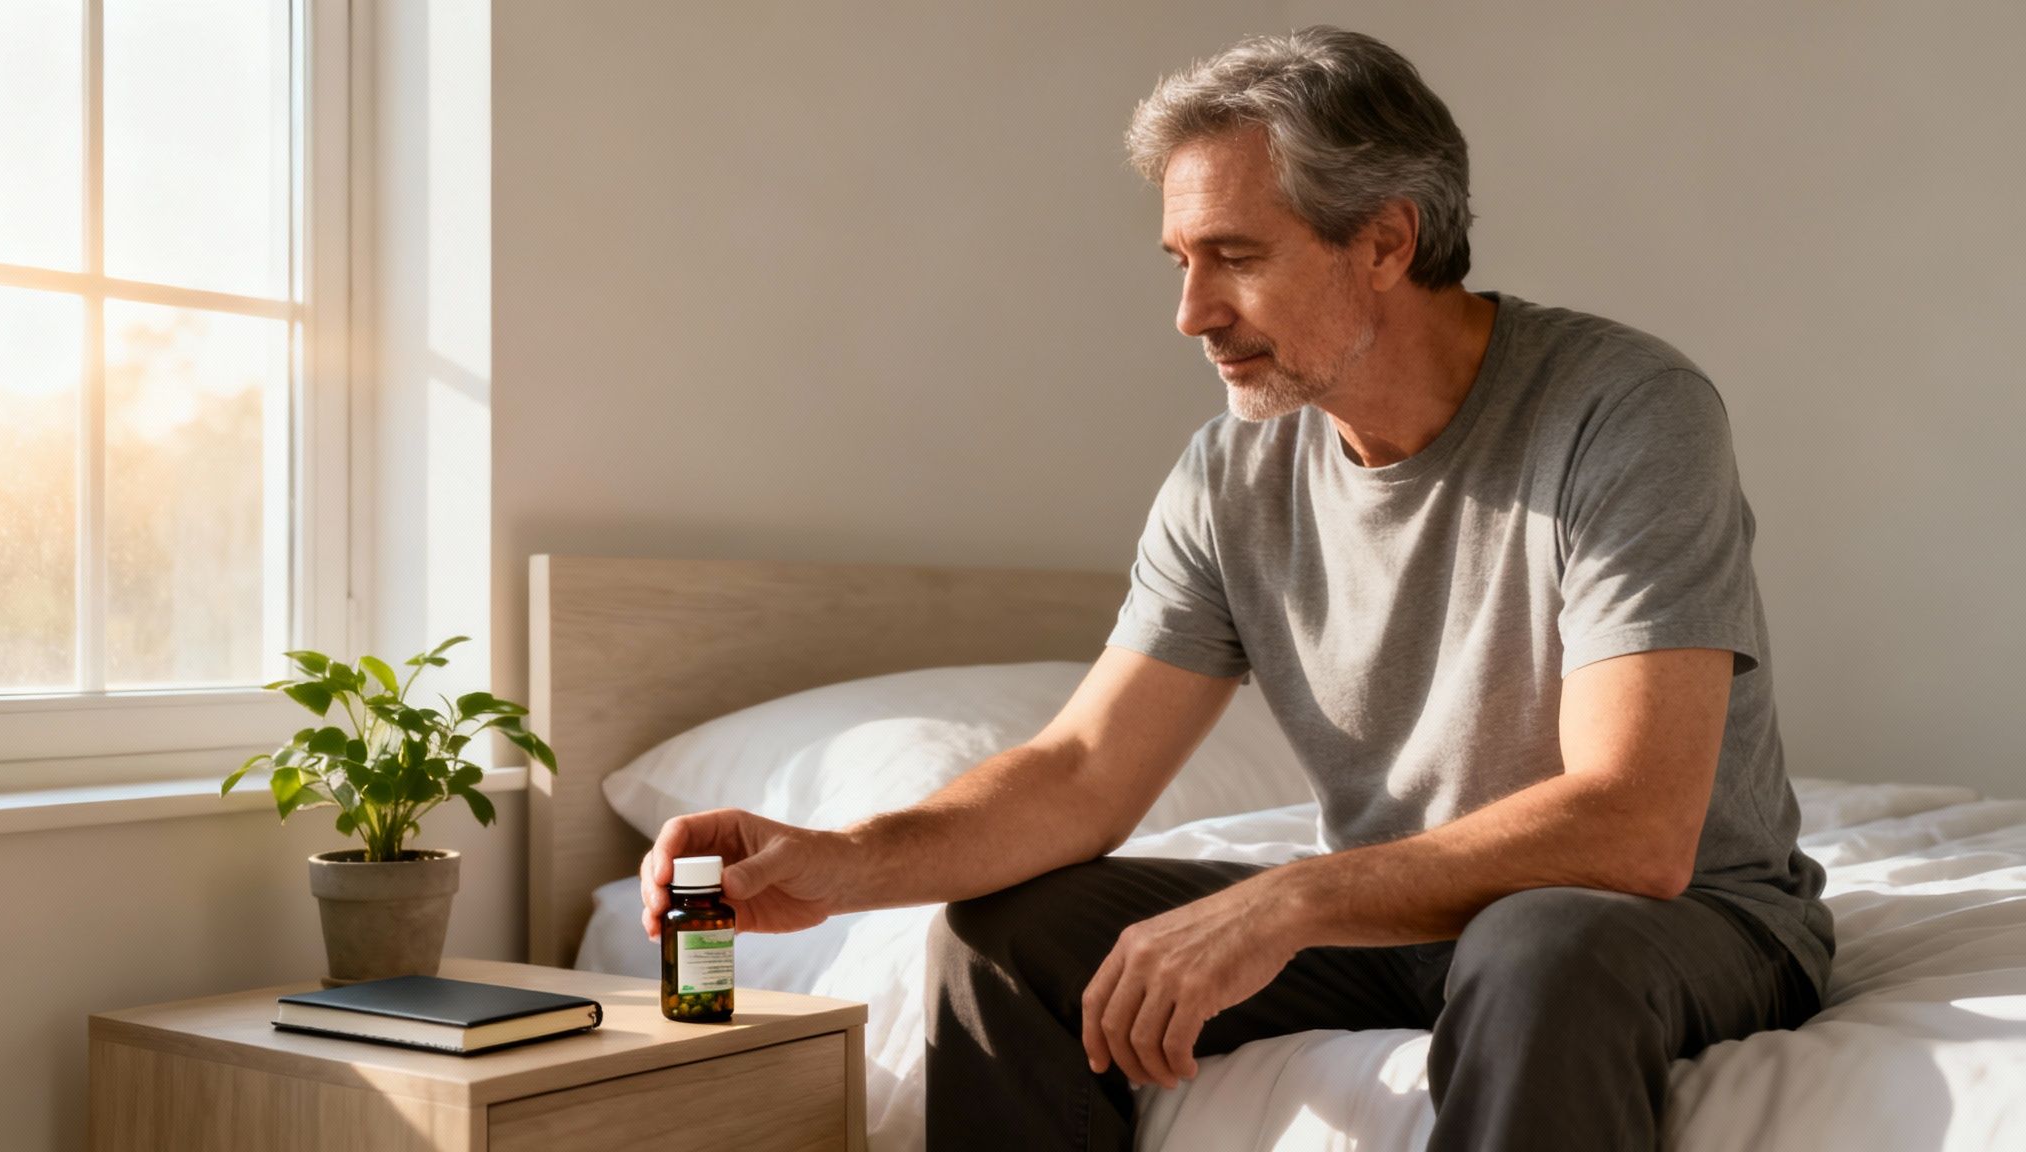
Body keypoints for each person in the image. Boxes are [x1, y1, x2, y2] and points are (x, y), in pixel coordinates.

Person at [639, 25, 1832, 1152]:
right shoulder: (1231, 471)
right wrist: (839, 859)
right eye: (1180, 260)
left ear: (1382, 240)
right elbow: (1078, 773)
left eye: (1237, 258)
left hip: (1669, 922)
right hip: (1401, 924)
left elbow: (1633, 828)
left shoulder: (1623, 412)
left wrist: (1289, 901)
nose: (1189, 313)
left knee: (1539, 944)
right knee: (1011, 937)